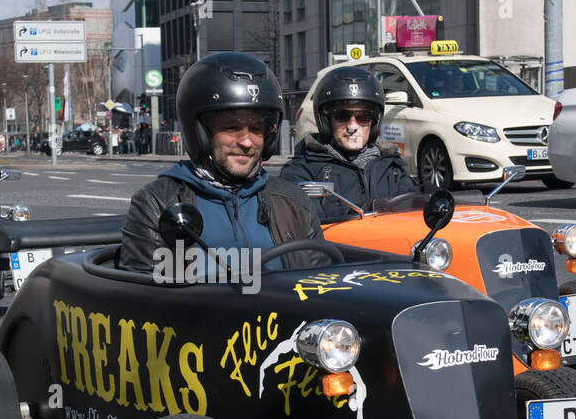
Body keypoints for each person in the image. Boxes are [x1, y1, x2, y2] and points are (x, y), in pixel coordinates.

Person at [120, 51, 327, 274]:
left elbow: (323, 286)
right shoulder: (158, 203)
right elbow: (143, 298)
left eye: (256, 129)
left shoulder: (294, 203)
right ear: (200, 133)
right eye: (232, 127)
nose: (247, 141)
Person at [280, 66, 417, 221]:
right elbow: (307, 223)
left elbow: (413, 215)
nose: (352, 126)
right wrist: (367, 209)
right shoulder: (301, 171)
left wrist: (426, 197)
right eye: (342, 115)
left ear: (374, 121)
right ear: (326, 121)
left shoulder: (391, 168)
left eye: (363, 116)